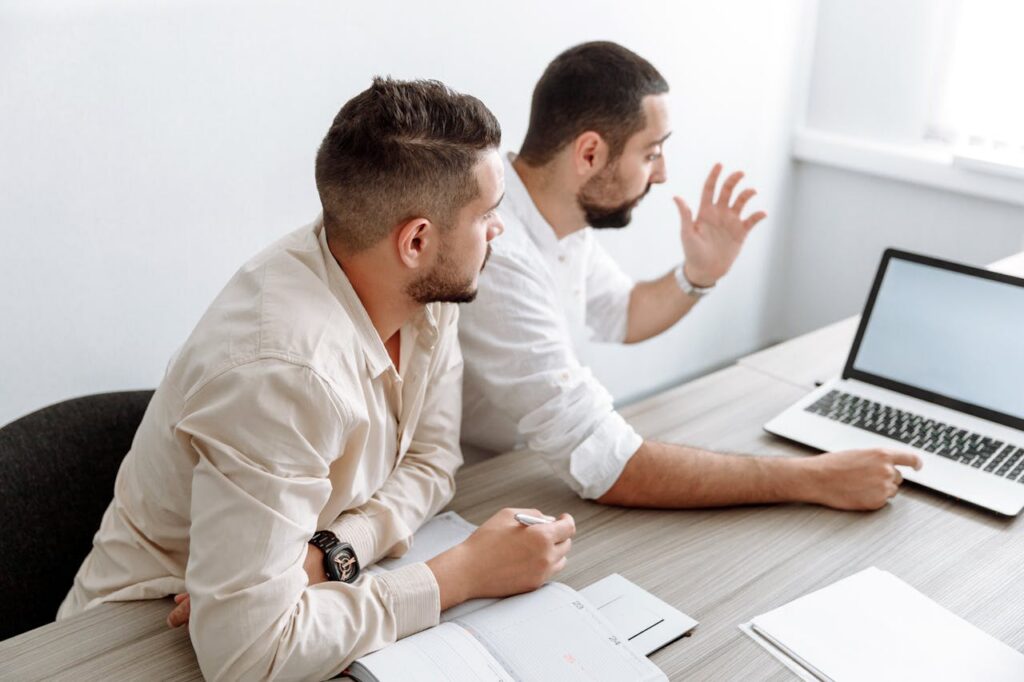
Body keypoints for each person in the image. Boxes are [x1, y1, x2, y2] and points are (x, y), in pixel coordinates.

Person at [57, 77, 575, 681]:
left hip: (272, 599)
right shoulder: (285, 375)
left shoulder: (423, 292)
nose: (498, 231)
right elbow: (250, 655)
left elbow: (431, 461)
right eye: (487, 214)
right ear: (416, 240)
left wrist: (329, 556)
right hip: (137, 638)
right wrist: (460, 575)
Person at [458, 41, 921, 510]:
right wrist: (813, 479)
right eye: (652, 153)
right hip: (471, 492)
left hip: (520, 467)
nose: (661, 174)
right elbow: (608, 466)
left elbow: (623, 311)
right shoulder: (500, 253)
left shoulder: (559, 221)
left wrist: (699, 274)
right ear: (591, 153)